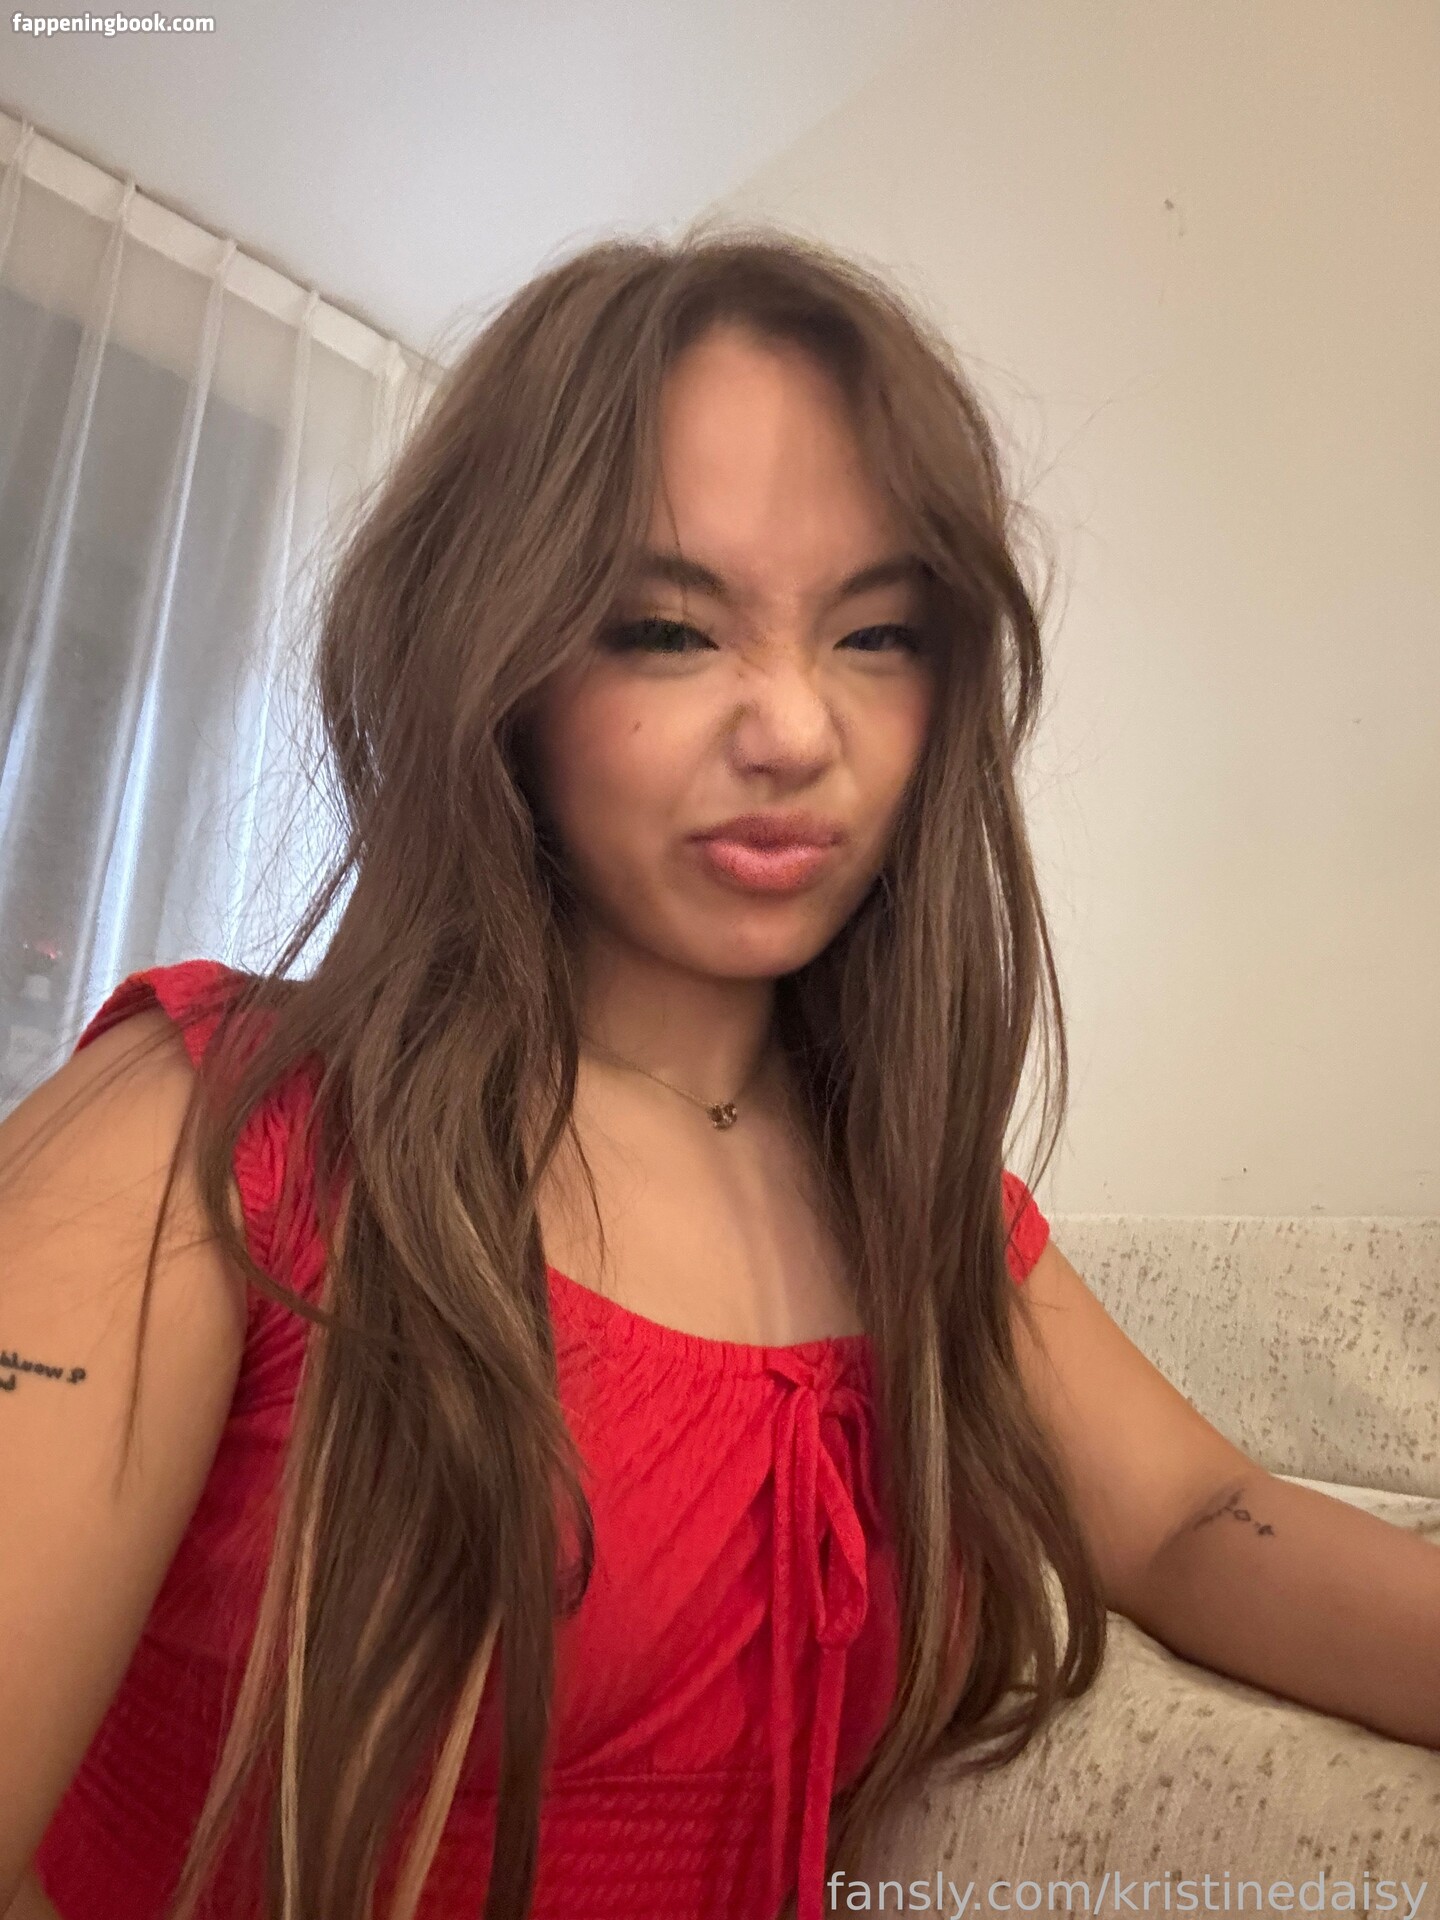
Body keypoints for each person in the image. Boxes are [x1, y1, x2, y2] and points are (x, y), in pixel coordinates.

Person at [1, 230, 1436, 1920]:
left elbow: (1197, 1517)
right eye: (670, 630)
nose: (796, 732)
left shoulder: (923, 1214)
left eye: (878, 635)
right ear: (496, 661)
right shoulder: (201, 1134)